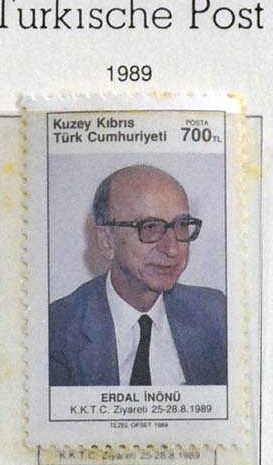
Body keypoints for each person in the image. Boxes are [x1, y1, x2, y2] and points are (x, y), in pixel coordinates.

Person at [47, 164, 227, 389]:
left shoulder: (216, 315)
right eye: (150, 227)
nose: (172, 249)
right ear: (107, 241)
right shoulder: (57, 330)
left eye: (181, 226)